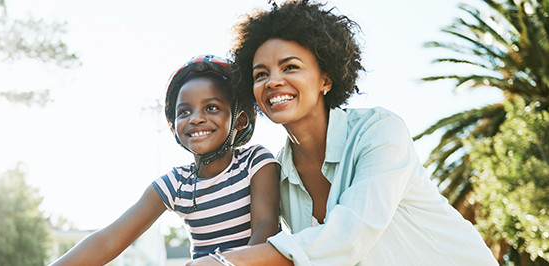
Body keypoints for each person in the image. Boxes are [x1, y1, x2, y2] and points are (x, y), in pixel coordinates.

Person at [188, 1, 499, 265]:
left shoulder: (380, 132)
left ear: (326, 78)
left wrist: (223, 261)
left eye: (291, 67)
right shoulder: (277, 173)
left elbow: (349, 235)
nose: (273, 81)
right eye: (260, 74)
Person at [50, 55, 281, 265]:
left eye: (211, 108)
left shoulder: (255, 162)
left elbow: (265, 227)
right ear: (173, 126)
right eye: (184, 112)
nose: (196, 119)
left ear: (239, 120)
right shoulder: (176, 184)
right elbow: (109, 240)